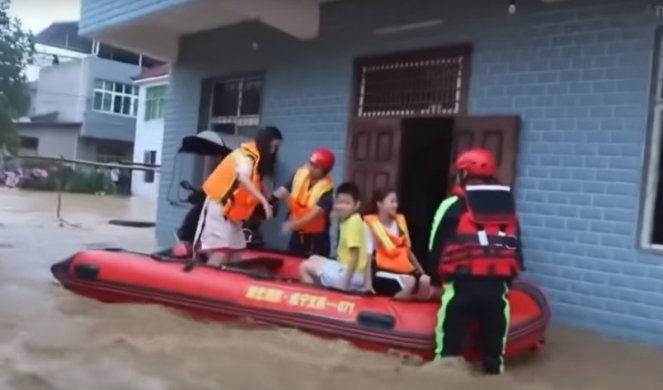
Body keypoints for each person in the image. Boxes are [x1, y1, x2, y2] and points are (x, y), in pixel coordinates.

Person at [428, 148, 524, 375]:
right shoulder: (507, 206)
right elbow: (514, 246)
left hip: (460, 288)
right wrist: (506, 284)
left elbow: (436, 244)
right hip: (496, 288)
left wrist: (434, 281)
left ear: (462, 174)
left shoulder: (451, 204)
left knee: (446, 359)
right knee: (494, 361)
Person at [193, 126, 283, 267]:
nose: (275, 151)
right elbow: (243, 178)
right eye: (275, 146)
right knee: (221, 251)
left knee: (237, 251)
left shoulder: (256, 163)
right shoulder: (245, 156)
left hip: (233, 214)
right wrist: (264, 201)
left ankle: (226, 281)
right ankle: (207, 280)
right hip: (219, 208)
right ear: (267, 143)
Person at [299, 182, 369, 292]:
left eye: (347, 203)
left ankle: (313, 297)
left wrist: (344, 285)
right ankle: (321, 289)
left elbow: (354, 257)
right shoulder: (349, 220)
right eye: (339, 202)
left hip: (350, 275)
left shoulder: (353, 222)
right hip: (349, 270)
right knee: (313, 258)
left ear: (356, 205)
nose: (341, 206)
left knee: (304, 266)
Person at [363, 189, 431, 300]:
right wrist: (367, 283)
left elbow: (407, 251)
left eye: (396, 202)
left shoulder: (399, 222)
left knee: (426, 281)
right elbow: (368, 255)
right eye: (392, 201)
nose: (395, 205)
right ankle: (396, 307)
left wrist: (422, 272)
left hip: (403, 269)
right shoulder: (370, 225)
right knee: (410, 283)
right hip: (382, 271)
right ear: (379, 204)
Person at [273, 148, 335, 257]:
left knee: (314, 267)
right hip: (298, 233)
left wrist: (292, 225)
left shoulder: (327, 189)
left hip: (316, 238)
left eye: (316, 167)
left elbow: (314, 214)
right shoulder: (300, 174)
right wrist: (270, 201)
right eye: (311, 164)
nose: (311, 168)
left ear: (324, 170)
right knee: (291, 260)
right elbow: (284, 190)